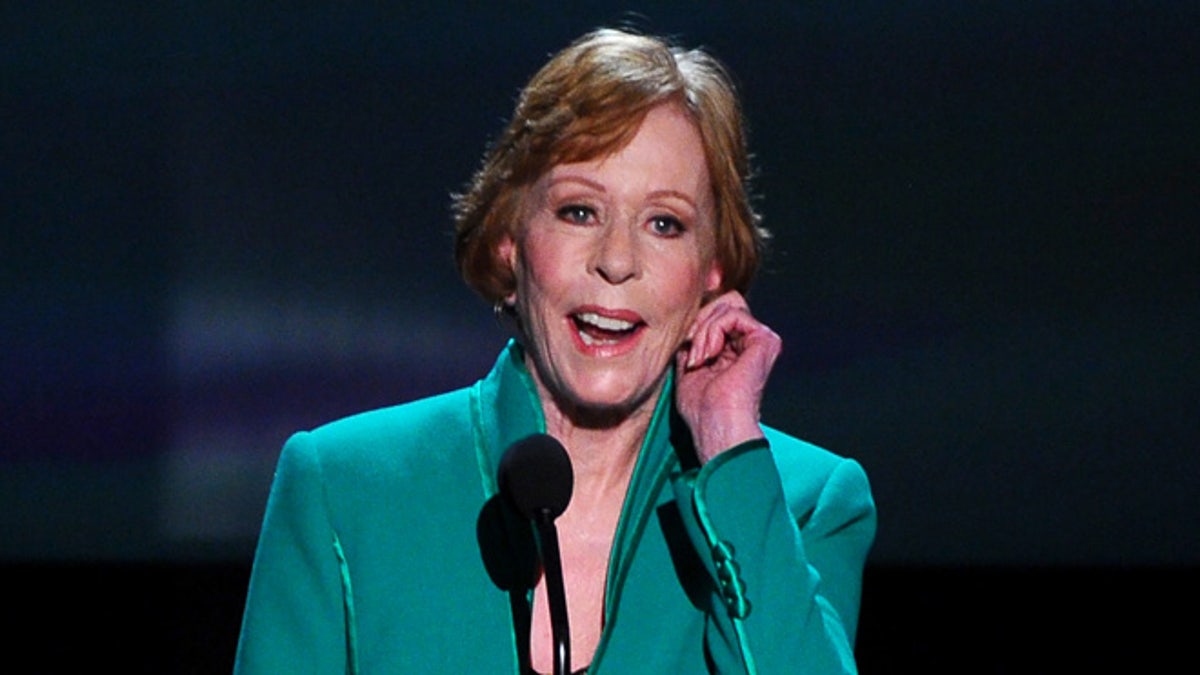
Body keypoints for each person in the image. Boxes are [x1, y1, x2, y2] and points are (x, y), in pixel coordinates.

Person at [234, 28, 875, 674]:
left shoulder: (803, 502)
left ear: (712, 268)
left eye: (665, 223)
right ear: (511, 238)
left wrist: (731, 446)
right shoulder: (342, 489)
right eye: (578, 211)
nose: (617, 261)